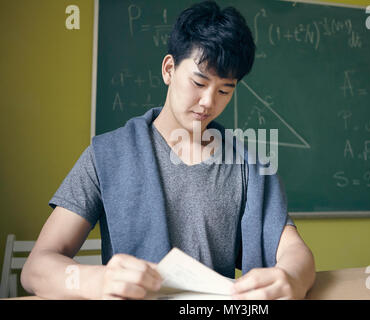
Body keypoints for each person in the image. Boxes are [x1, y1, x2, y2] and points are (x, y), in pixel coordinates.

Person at [21, 0, 315, 300]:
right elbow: (36, 268)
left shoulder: (248, 166)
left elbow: (294, 251)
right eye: (199, 82)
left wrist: (291, 278)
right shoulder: (108, 155)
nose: (208, 102)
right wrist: (96, 281)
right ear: (169, 69)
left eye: (225, 90)